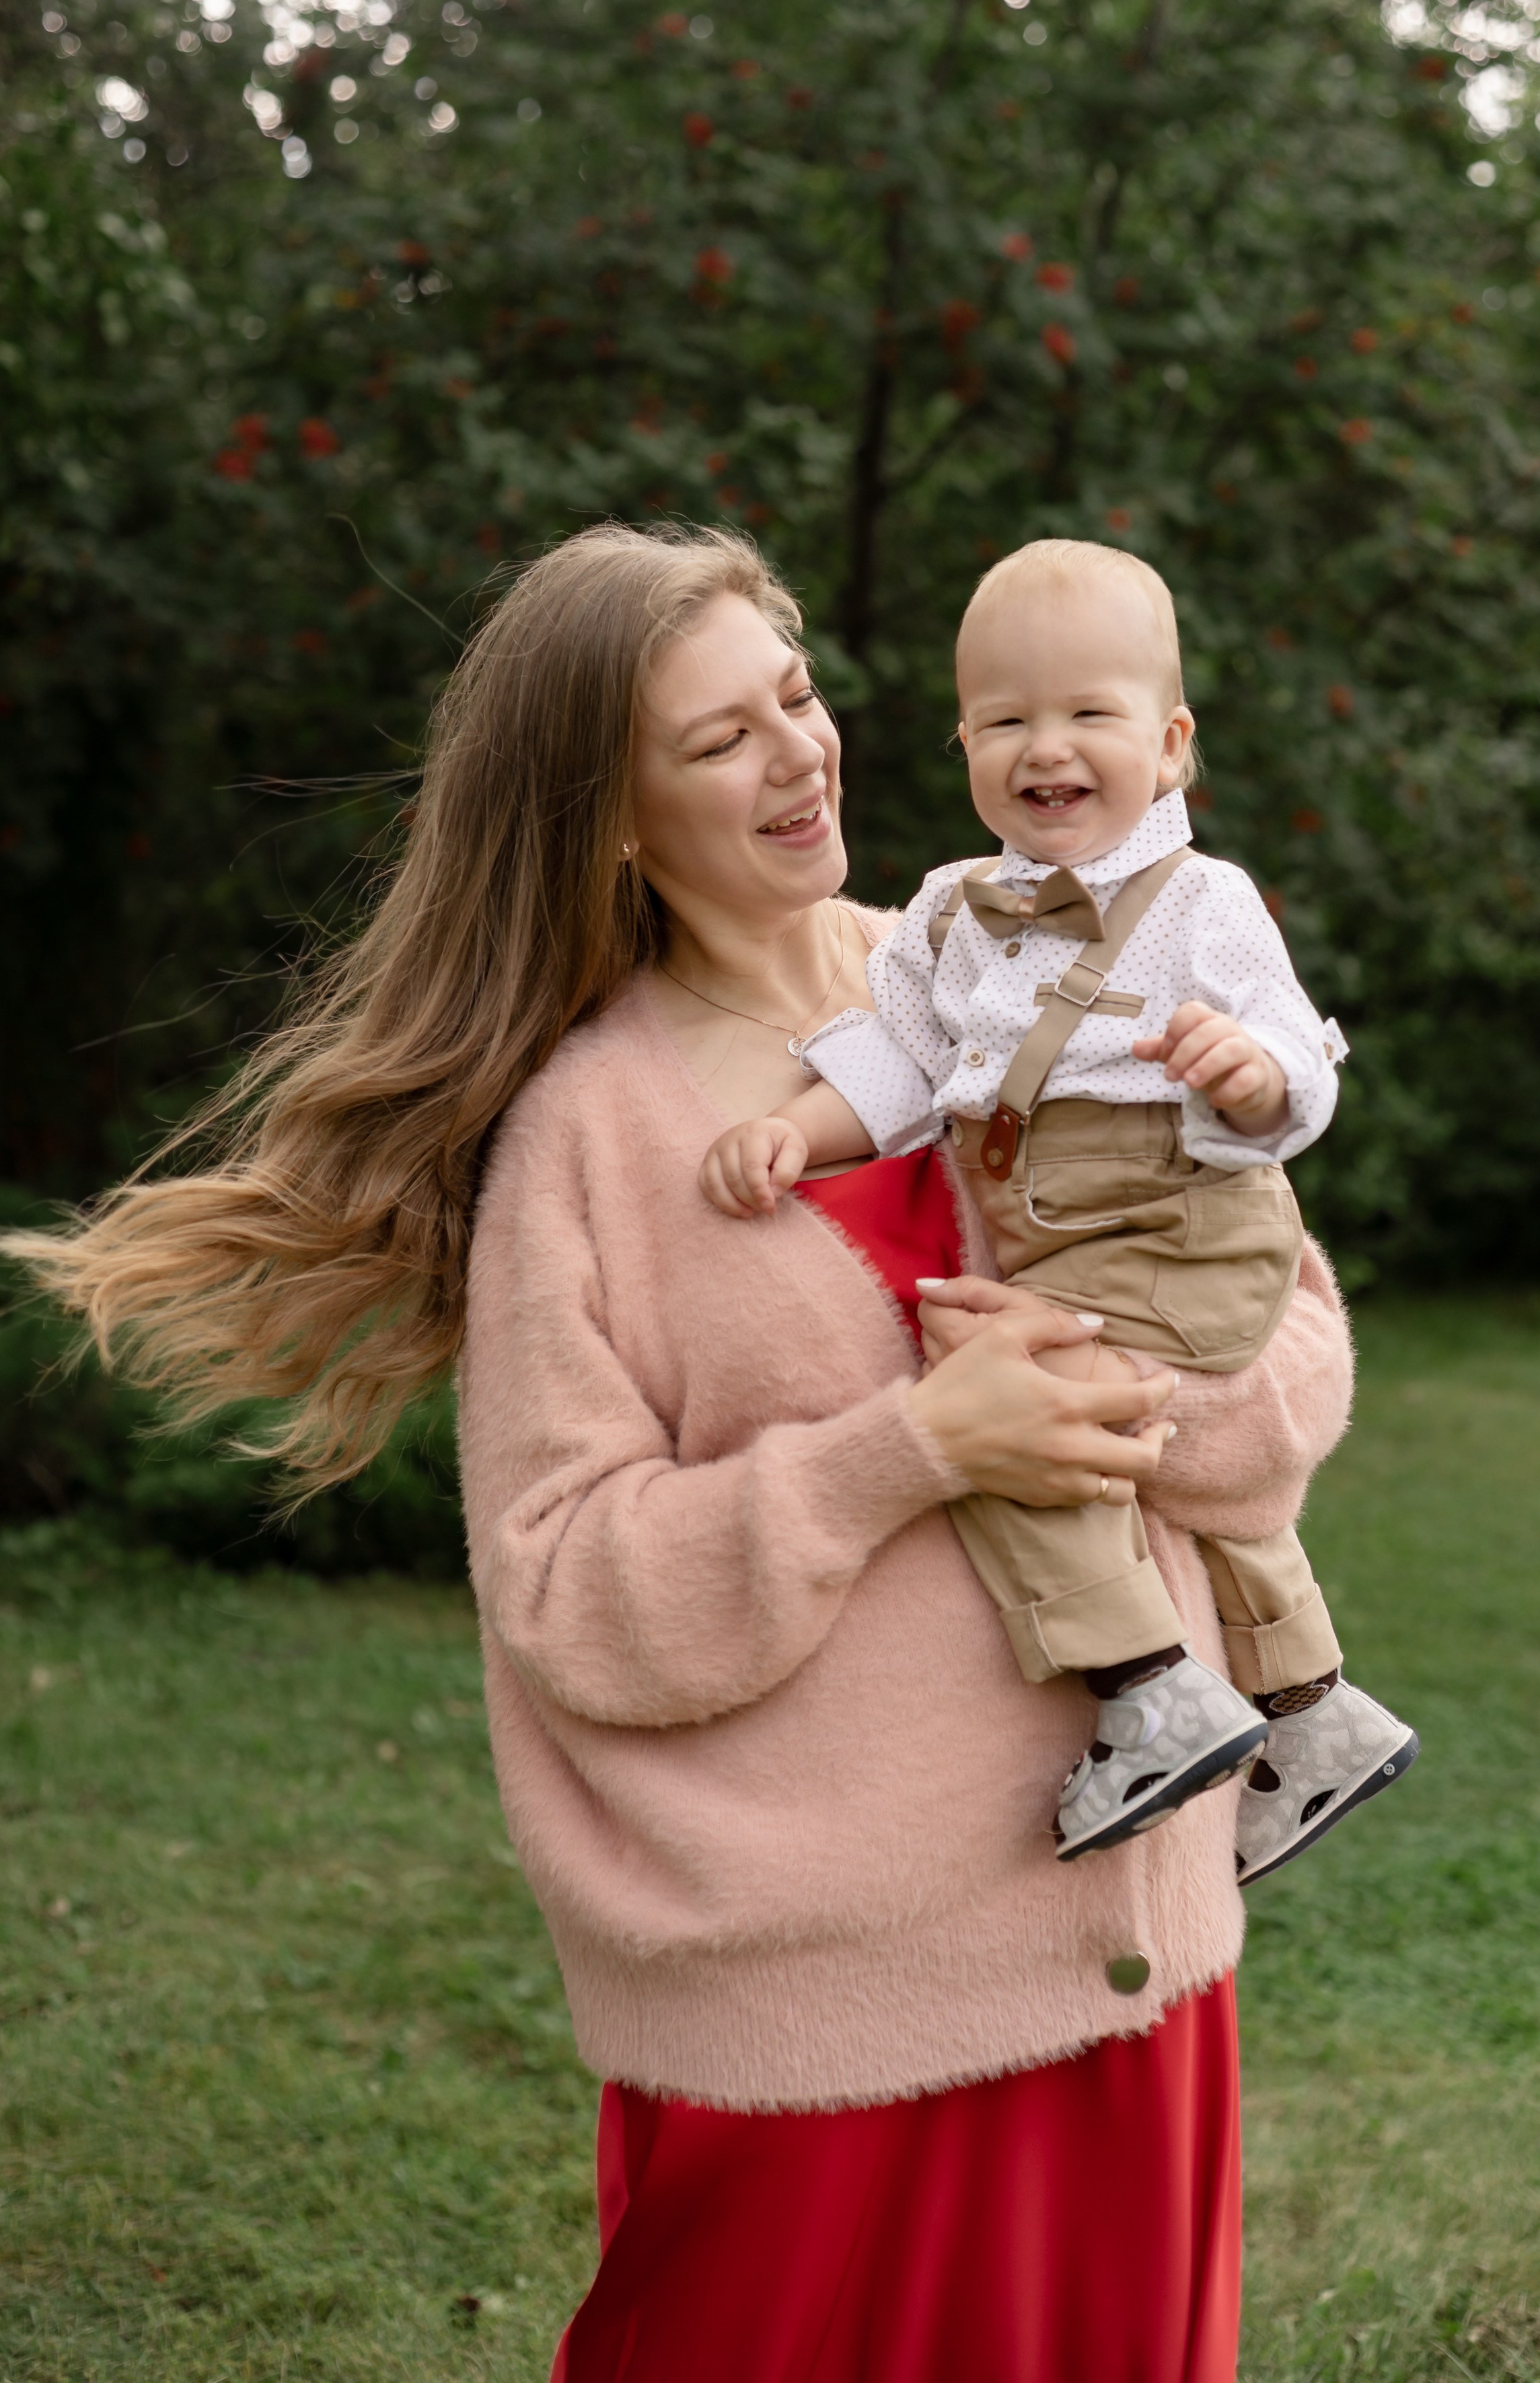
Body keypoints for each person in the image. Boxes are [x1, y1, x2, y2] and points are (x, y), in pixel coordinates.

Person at [9, 523, 1356, 2383]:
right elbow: (567, 1580)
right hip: (823, 2009)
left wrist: (1126, 1404)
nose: (797, 754)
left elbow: (1289, 1336)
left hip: (1128, 1952)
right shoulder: (589, 1132)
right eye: (718, 740)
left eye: (794, 698)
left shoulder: (1001, 973)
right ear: (612, 818)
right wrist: (909, 1447)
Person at [700, 537, 1418, 1878]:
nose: (1047, 744)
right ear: (963, 740)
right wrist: (789, 1132)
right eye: (1005, 717)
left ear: (1169, 740)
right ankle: (1316, 1713)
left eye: (1088, 712)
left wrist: (1248, 1078)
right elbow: (891, 1060)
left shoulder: (1198, 904)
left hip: (1182, 1219)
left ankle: (1146, 1686)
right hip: (1069, 1233)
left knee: (1012, 1406)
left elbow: (1298, 1065)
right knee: (1135, 1451)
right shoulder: (946, 915)